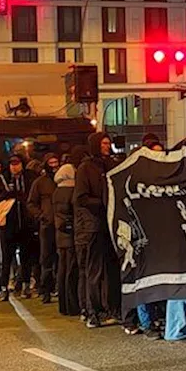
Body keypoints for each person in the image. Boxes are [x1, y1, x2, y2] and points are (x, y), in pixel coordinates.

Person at [74, 132, 118, 327]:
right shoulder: (85, 168)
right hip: (93, 226)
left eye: (108, 143)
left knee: (111, 270)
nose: (107, 147)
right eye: (104, 144)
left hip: (109, 224)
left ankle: (111, 308)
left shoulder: (110, 165)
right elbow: (80, 198)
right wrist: (103, 203)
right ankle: (94, 311)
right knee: (95, 270)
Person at [0, 154, 38, 301]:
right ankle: (4, 288)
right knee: (6, 258)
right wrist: (6, 194)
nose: (14, 166)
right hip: (8, 226)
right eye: (12, 164)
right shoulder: (2, 179)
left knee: (26, 257)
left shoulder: (29, 177)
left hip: (26, 225)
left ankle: (25, 286)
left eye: (17, 163)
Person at [27, 153, 61, 304]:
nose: (54, 165)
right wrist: (41, 215)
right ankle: (46, 290)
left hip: (61, 226)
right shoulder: (40, 183)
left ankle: (59, 289)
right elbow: (31, 203)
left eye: (56, 162)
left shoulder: (62, 180)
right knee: (46, 259)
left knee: (61, 260)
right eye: (51, 163)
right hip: (47, 225)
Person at [52, 156, 81, 317]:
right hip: (70, 235)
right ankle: (72, 305)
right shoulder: (71, 191)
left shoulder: (57, 191)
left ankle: (63, 304)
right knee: (71, 270)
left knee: (62, 270)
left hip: (60, 235)